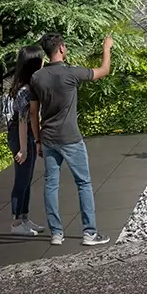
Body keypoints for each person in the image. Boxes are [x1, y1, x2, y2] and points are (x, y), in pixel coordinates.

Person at [29, 31, 112, 247]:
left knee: (51, 184)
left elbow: (33, 113)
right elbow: (104, 70)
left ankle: (56, 233)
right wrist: (106, 48)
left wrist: (37, 141)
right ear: (62, 48)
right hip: (71, 138)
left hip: (48, 138)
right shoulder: (71, 73)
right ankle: (89, 233)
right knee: (83, 183)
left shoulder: (36, 78)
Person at [6, 44, 46, 237]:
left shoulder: (31, 86)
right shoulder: (24, 90)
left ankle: (24, 218)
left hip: (28, 134)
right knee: (21, 179)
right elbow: (22, 121)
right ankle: (15, 223)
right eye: (42, 59)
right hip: (19, 134)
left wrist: (37, 141)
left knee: (27, 178)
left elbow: (33, 118)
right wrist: (23, 148)